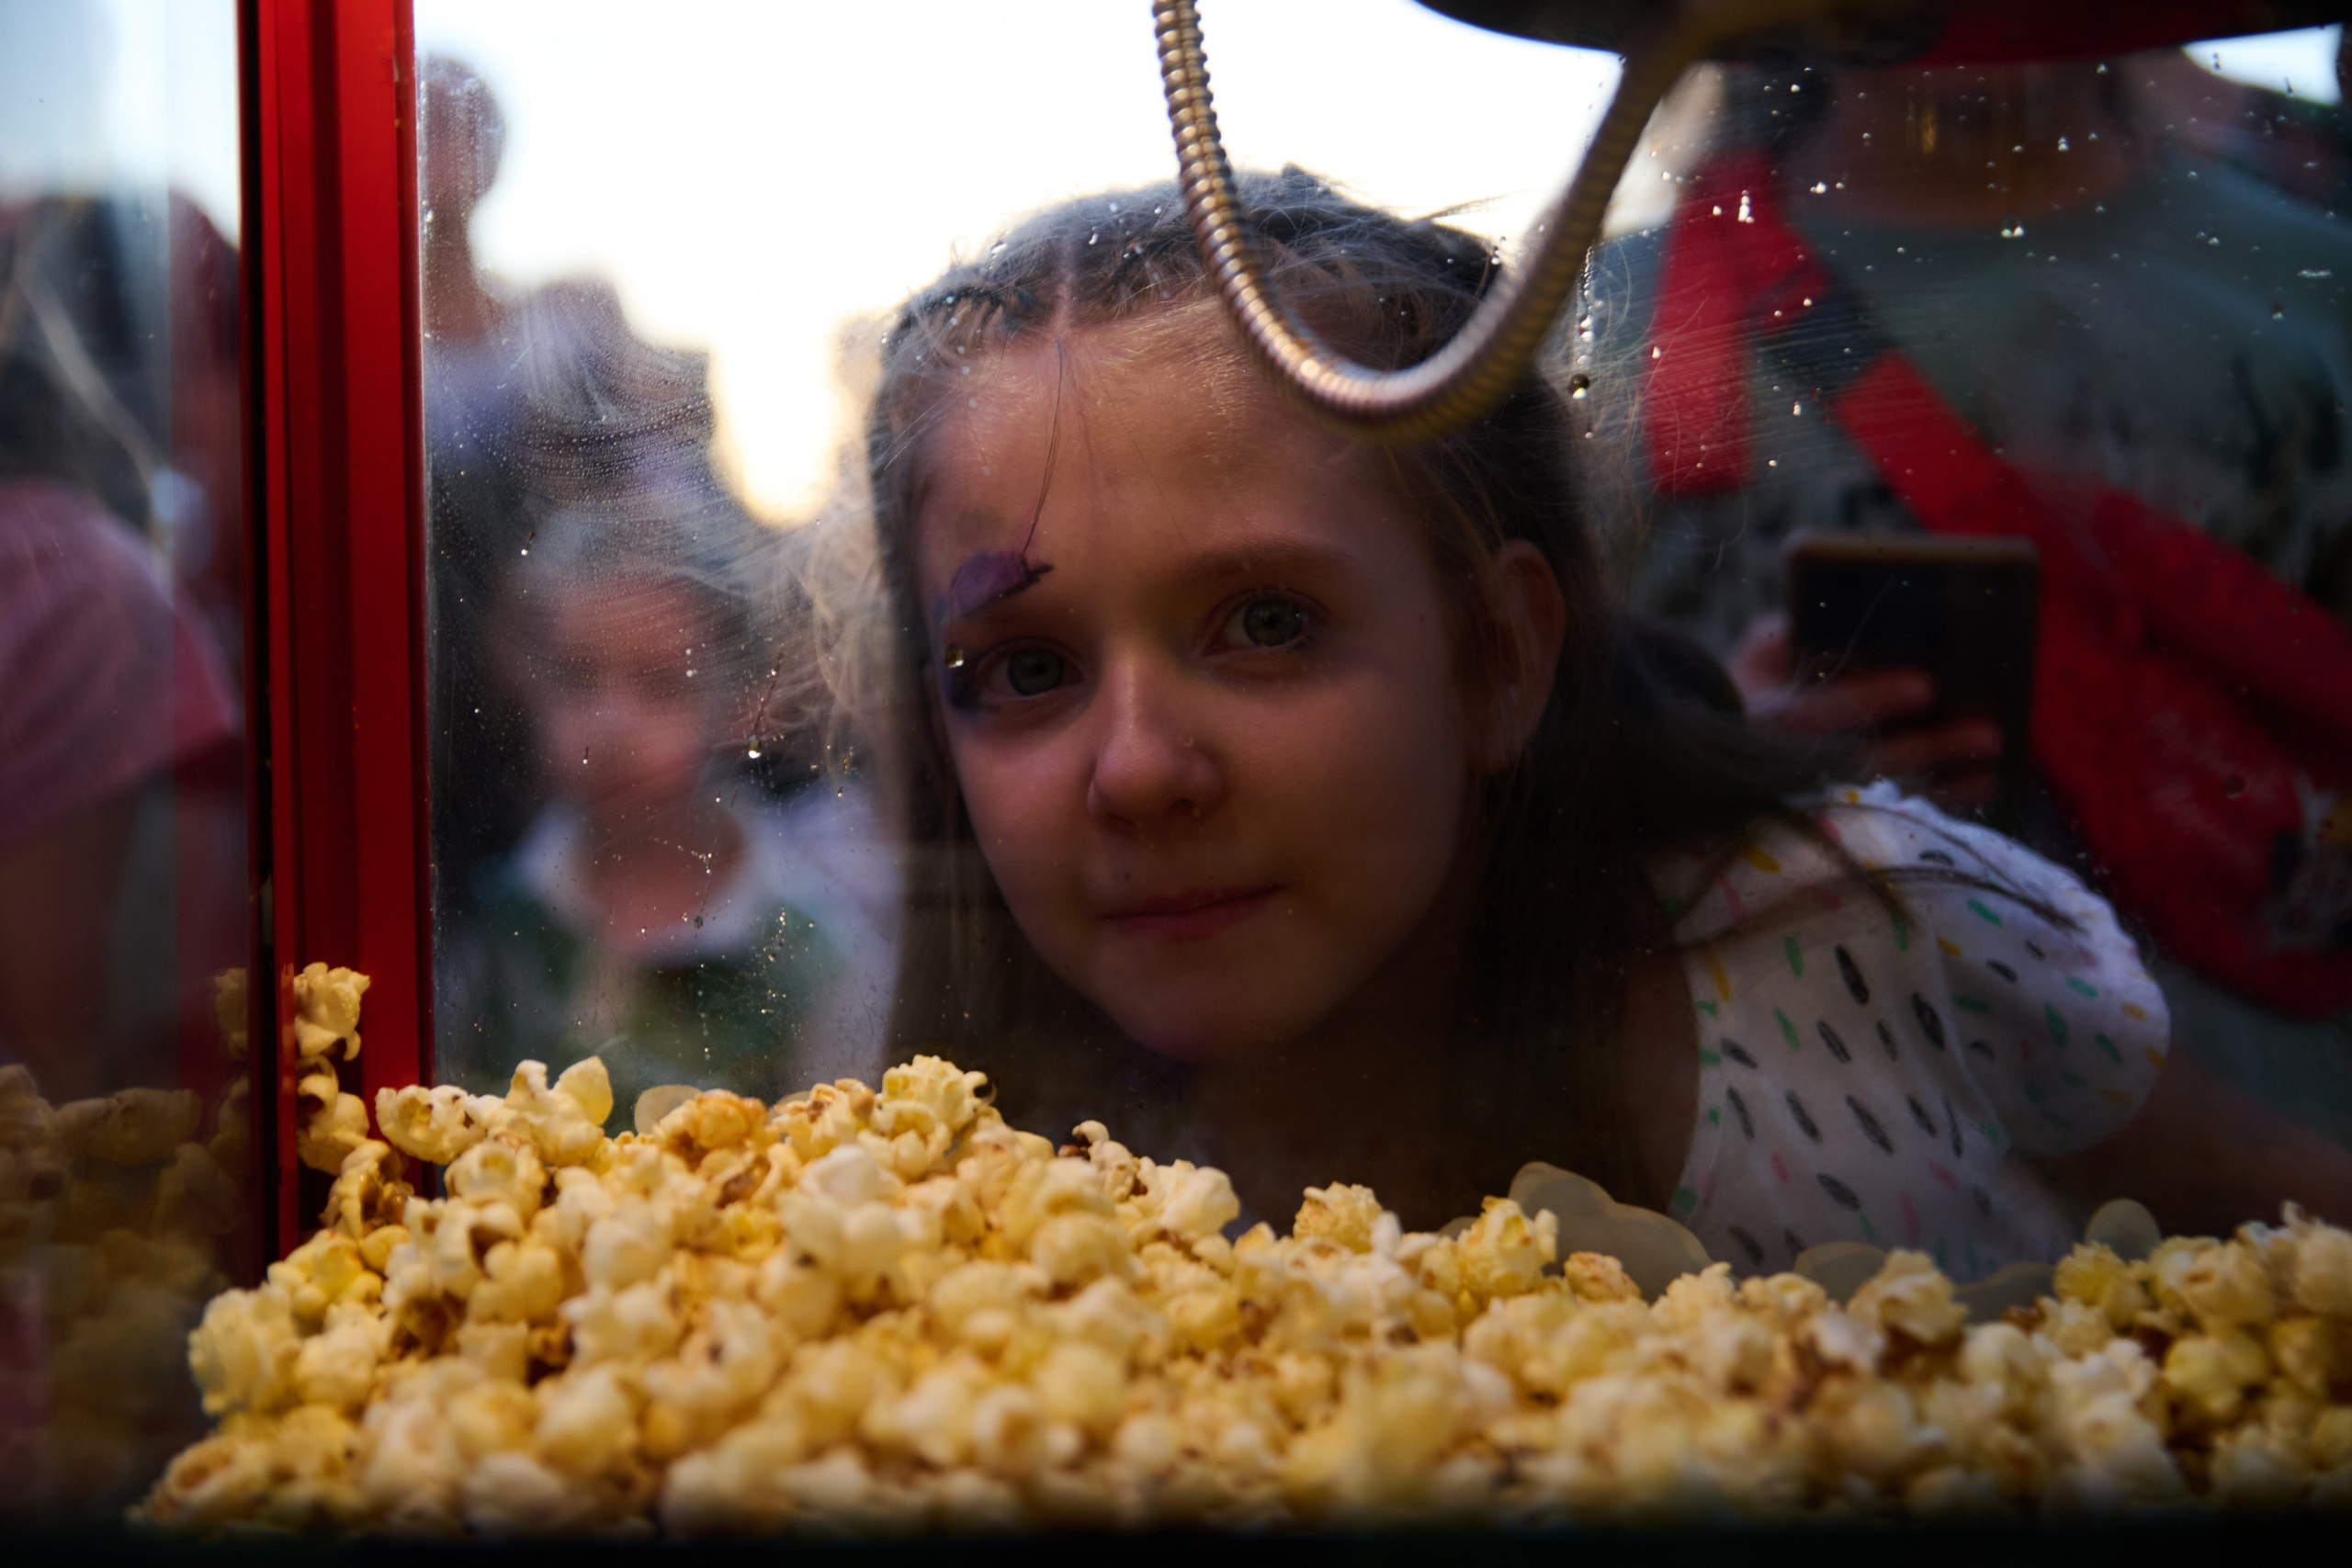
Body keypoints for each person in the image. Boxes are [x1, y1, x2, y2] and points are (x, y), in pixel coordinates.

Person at [838, 168, 2352, 1273]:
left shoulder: (1861, 941)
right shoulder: (941, 1184)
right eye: (1027, 670)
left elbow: (2289, 1233)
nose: (1141, 768)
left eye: (1270, 623)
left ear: (1499, 655)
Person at [1583, 51, 2352, 1154]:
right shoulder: (1617, 316)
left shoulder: (2318, 293)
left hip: (2276, 1172)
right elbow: (1502, 788)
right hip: (1770, 1196)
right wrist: (1700, 762)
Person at [436, 495, 898, 1124]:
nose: (612, 725)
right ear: (529, 686)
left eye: (661, 684)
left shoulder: (812, 954)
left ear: (738, 703)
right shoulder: (494, 922)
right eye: (577, 677)